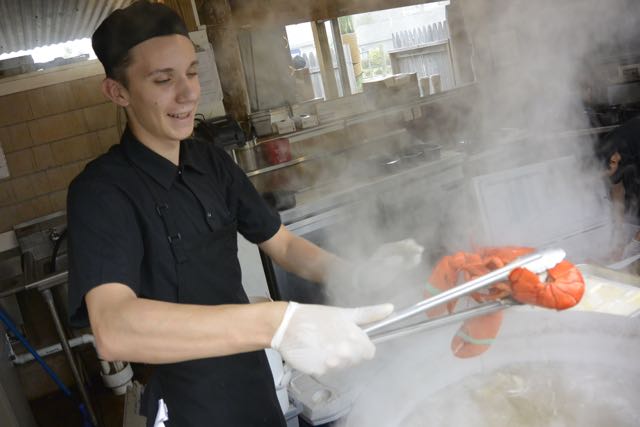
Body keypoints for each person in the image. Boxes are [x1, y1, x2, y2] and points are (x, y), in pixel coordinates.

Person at [66, 2, 417, 426]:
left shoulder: (210, 162)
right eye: (163, 79)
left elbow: (282, 244)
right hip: (184, 400)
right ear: (117, 92)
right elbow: (113, 329)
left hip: (250, 376)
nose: (188, 93)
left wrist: (353, 273)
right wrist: (277, 323)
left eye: (191, 73)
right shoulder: (101, 191)